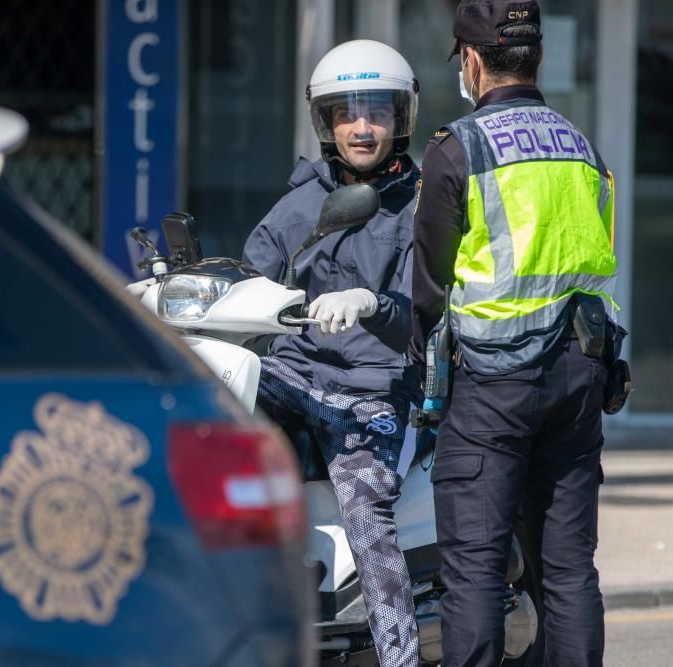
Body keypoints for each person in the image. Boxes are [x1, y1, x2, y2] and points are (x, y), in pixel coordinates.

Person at [409, 2, 623, 665]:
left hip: (492, 387)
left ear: (471, 62)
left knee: (473, 570)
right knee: (567, 571)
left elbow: (430, 284)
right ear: (539, 59)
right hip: (578, 376)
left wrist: (421, 377)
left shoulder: (456, 151)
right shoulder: (581, 149)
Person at [243, 39, 422, 667]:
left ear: (400, 119)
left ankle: (398, 653)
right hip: (292, 374)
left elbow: (420, 314)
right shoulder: (300, 202)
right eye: (347, 113)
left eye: (376, 112)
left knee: (366, 512)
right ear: (327, 122)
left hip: (373, 390)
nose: (363, 127)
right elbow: (249, 274)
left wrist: (371, 304)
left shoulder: (420, 209)